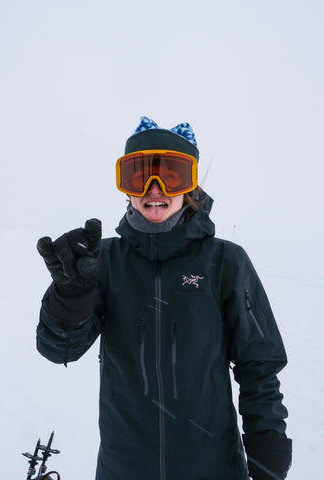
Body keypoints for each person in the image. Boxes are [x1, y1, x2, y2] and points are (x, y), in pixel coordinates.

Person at [36, 117, 292, 480]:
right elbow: (58, 350)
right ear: (127, 188)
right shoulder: (103, 262)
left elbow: (260, 368)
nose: (154, 190)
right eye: (140, 176)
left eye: (170, 176)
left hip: (213, 468)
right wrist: (70, 296)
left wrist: (268, 457)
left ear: (190, 186)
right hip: (123, 469)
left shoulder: (225, 262)